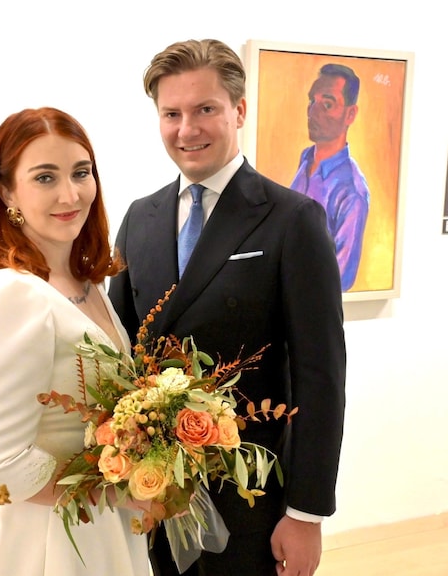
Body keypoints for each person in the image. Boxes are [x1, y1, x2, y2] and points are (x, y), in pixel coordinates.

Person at [109, 39, 347, 576]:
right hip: (151, 490)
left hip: (250, 493)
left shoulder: (292, 220)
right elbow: (119, 355)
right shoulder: (138, 219)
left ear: (239, 110)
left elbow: (321, 377)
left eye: (205, 110)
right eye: (171, 114)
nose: (186, 129)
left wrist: (306, 513)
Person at [0, 107, 149, 576]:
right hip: (40, 539)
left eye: (80, 173)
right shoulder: (10, 293)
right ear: (7, 191)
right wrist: (117, 488)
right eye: (45, 178)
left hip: (93, 525)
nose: (70, 194)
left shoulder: (83, 282)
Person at [290, 63, 370, 291]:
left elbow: (341, 278)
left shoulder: (352, 191)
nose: (312, 112)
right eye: (311, 101)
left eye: (327, 104)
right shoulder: (306, 158)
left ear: (350, 114)